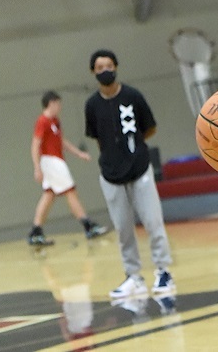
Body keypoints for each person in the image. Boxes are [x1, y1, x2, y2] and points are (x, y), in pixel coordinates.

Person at [84, 49, 176, 300]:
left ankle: (163, 271)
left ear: (116, 67)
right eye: (100, 67)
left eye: (109, 66)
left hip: (139, 170)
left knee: (153, 223)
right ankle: (133, 277)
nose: (105, 71)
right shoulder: (92, 105)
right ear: (93, 72)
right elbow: (97, 137)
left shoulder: (132, 96)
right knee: (123, 229)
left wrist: (132, 148)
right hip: (111, 175)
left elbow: (150, 127)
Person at [28, 90, 109, 246]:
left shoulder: (55, 121)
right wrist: (37, 167)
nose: (60, 107)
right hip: (51, 161)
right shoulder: (42, 121)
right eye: (58, 104)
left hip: (55, 161)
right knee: (70, 192)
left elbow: (61, 141)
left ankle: (36, 232)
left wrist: (79, 154)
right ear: (51, 103)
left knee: (49, 195)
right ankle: (88, 225)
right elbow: (35, 145)